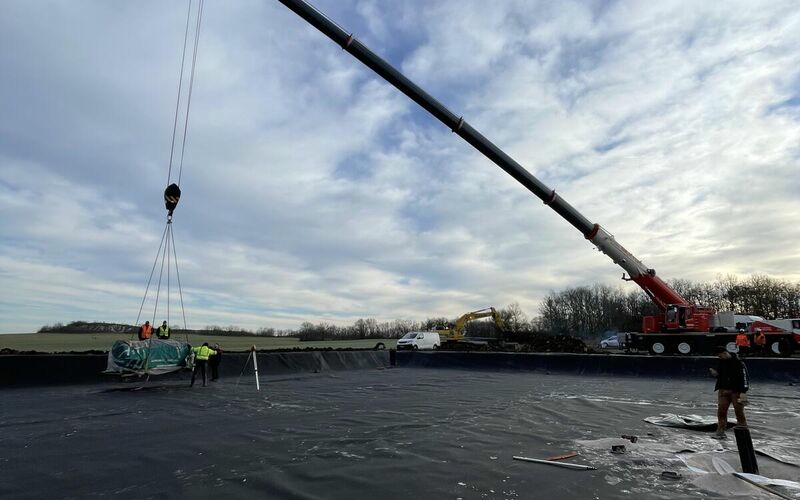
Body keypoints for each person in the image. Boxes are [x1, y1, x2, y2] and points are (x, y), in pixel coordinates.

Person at [709, 346, 749, 439]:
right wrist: (715, 374)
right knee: (721, 411)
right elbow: (719, 375)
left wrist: (744, 393)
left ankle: (743, 431)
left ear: (724, 353)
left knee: (739, 411)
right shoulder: (721, 362)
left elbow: (745, 377)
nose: (719, 358)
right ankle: (720, 432)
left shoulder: (739, 362)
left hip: (738, 391)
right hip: (723, 391)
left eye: (720, 356)